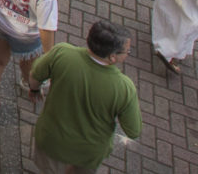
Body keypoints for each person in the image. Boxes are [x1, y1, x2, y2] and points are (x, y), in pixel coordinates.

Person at [29, 20, 143, 174]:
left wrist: (34, 90)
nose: (128, 54)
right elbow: (133, 130)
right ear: (112, 57)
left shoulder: (62, 53)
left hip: (51, 140)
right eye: (126, 52)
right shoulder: (124, 88)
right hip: (88, 153)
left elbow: (35, 76)